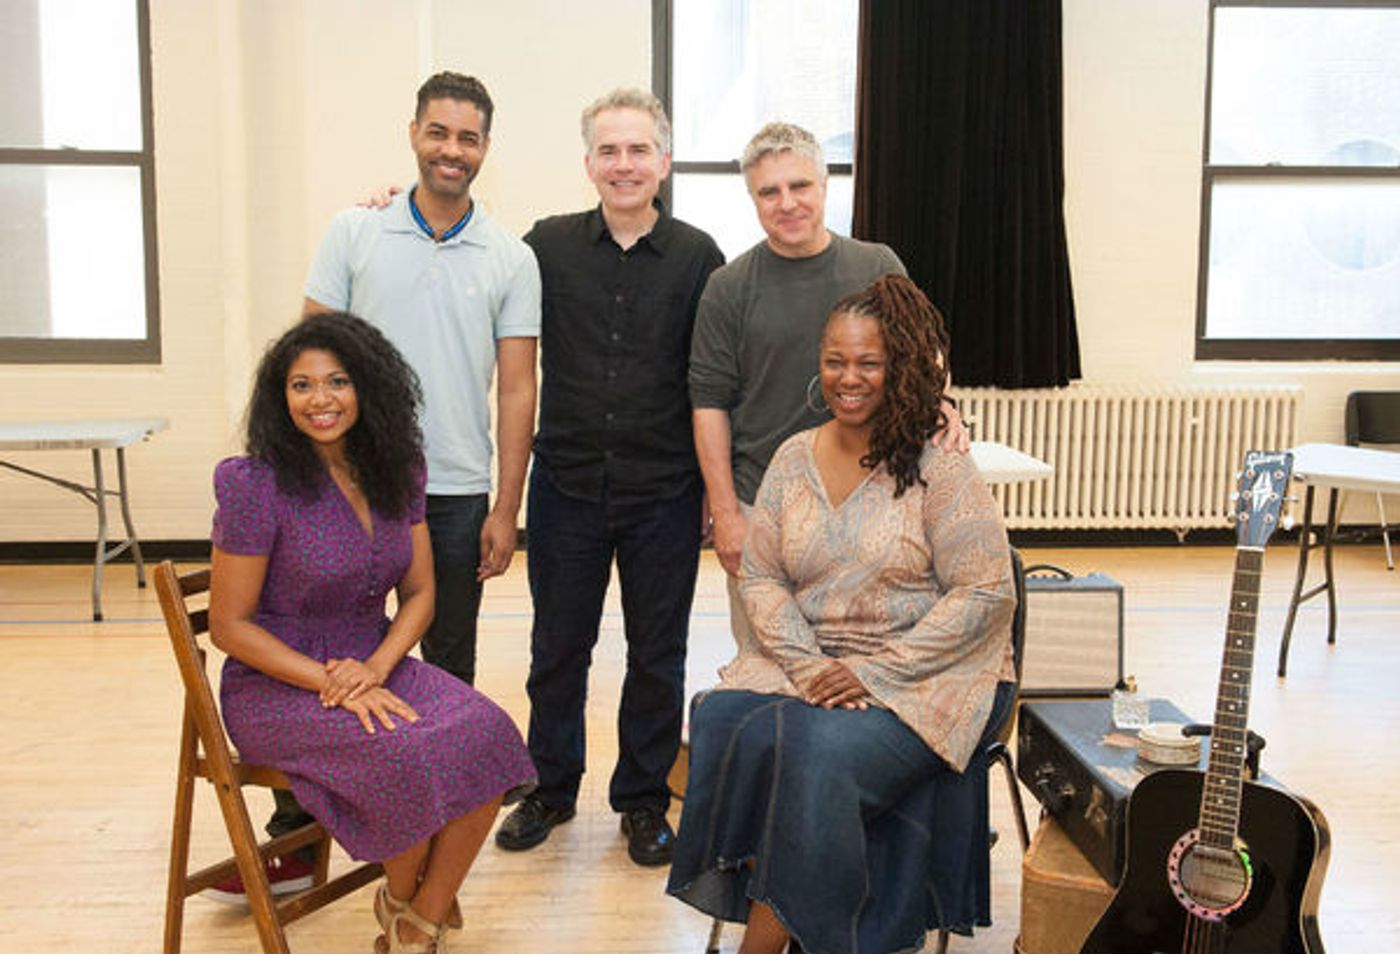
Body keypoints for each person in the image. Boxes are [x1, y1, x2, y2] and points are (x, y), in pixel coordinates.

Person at [666, 275, 1017, 954]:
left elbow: (985, 594)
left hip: (931, 672)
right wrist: (809, 666)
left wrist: (873, 673)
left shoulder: (939, 465)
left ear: (901, 368)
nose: (848, 378)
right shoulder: (793, 457)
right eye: (835, 360)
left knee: (815, 753)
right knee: (719, 717)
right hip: (819, 662)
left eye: (869, 362)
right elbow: (762, 574)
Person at [208, 313, 537, 953]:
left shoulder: (396, 468)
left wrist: (378, 667)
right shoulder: (255, 484)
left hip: (375, 660)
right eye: (301, 386)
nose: (320, 399)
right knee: (401, 755)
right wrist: (334, 680)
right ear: (281, 398)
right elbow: (229, 626)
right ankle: (418, 913)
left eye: (337, 381)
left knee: (486, 734)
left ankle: (416, 916)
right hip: (278, 683)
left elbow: (420, 594)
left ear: (367, 387)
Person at [491, 89, 724, 865]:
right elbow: (473, 264)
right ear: (589, 162)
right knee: (559, 647)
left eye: (638, 150)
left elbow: (715, 381)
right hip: (567, 489)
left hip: (665, 493)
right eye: (609, 151)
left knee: (657, 655)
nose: (624, 165)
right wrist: (384, 205)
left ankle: (643, 801)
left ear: (663, 160)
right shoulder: (543, 248)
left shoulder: (699, 257)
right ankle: (549, 789)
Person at [688, 121, 967, 657]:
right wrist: (726, 513)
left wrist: (942, 404)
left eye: (800, 186)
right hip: (765, 506)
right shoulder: (728, 288)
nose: (786, 203)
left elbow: (924, 359)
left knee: (861, 670)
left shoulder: (877, 266)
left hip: (876, 502)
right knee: (770, 666)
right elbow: (709, 404)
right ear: (753, 199)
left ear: (824, 186)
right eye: (769, 191)